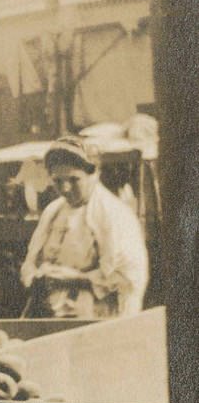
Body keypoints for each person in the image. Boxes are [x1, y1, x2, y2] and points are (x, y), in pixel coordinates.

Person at [20, 136, 148, 318]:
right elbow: (31, 261)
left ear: (94, 174)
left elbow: (127, 278)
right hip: (52, 314)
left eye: (74, 180)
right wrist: (34, 275)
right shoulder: (54, 211)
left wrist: (76, 279)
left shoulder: (114, 214)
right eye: (57, 181)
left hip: (96, 317)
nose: (64, 188)